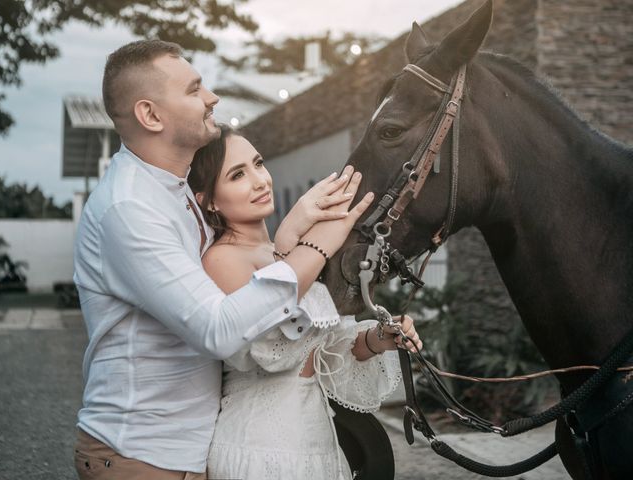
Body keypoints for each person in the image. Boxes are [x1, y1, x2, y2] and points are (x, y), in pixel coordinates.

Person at [73, 39, 374, 480]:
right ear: (150, 115)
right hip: (140, 455)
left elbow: (247, 268)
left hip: (198, 449)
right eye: (194, 90)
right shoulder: (130, 208)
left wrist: (290, 231)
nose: (212, 98)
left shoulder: (176, 194)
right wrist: (318, 246)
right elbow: (218, 329)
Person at [187, 125, 422, 480]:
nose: (259, 180)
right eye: (237, 175)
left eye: (258, 163)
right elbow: (269, 351)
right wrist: (291, 244)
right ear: (209, 200)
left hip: (317, 444)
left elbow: (323, 356)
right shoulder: (223, 259)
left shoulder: (288, 255)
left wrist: (376, 340)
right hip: (260, 449)